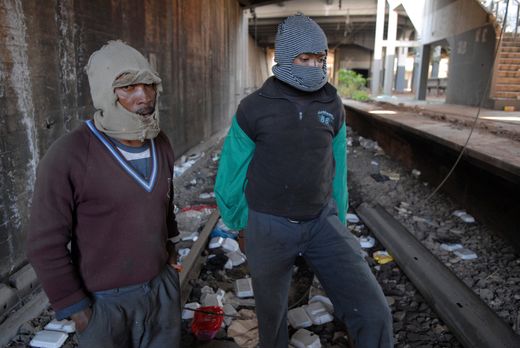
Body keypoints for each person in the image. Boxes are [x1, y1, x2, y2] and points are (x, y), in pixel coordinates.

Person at [215, 14, 393, 348]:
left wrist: (338, 221)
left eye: (320, 59)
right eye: (304, 59)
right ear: (283, 58)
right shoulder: (254, 108)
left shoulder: (332, 104)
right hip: (268, 224)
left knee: (373, 311)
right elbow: (231, 170)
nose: (314, 67)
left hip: (321, 222)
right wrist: (240, 223)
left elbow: (336, 168)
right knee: (272, 319)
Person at [26, 41, 181, 348]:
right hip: (105, 305)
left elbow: (164, 203)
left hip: (161, 291)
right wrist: (79, 310)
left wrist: (171, 255)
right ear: (104, 92)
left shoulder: (160, 143)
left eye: (148, 84)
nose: (143, 95)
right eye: (128, 87)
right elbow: (44, 244)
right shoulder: (68, 155)